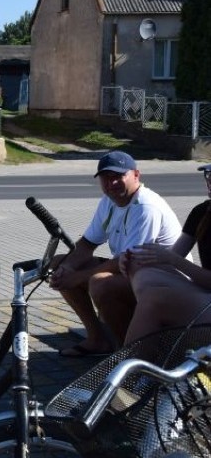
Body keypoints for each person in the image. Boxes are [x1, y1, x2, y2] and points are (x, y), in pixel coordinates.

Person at [49, 150, 183, 357]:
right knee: (59, 264)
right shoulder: (109, 201)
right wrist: (67, 268)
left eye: (118, 177)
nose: (111, 184)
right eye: (106, 178)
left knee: (101, 283)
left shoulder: (146, 207)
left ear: (136, 175)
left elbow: (127, 260)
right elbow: (86, 244)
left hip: (165, 281)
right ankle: (97, 340)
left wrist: (76, 277)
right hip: (135, 274)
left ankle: (131, 355)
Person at [121, 164, 211, 344]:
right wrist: (133, 257)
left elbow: (174, 259)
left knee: (154, 300)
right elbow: (172, 256)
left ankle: (133, 366)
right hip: (206, 294)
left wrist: (172, 259)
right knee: (141, 270)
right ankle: (162, 339)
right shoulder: (202, 211)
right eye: (208, 174)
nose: (209, 180)